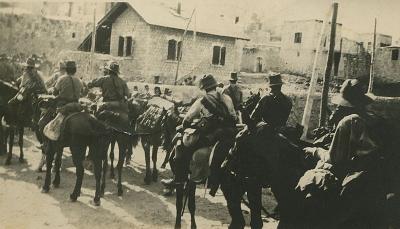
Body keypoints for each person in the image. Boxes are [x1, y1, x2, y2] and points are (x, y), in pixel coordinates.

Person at [303, 79, 388, 228]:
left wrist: (315, 151)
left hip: (357, 179)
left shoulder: (348, 122)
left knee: (313, 184)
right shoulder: (375, 119)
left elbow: (334, 159)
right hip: (378, 177)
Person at [173, 74, 237, 195]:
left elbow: (188, 118)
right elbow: (233, 116)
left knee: (182, 146)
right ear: (215, 86)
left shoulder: (202, 100)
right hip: (228, 133)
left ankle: (180, 178)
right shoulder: (226, 97)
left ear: (205, 88)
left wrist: (185, 126)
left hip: (210, 136)